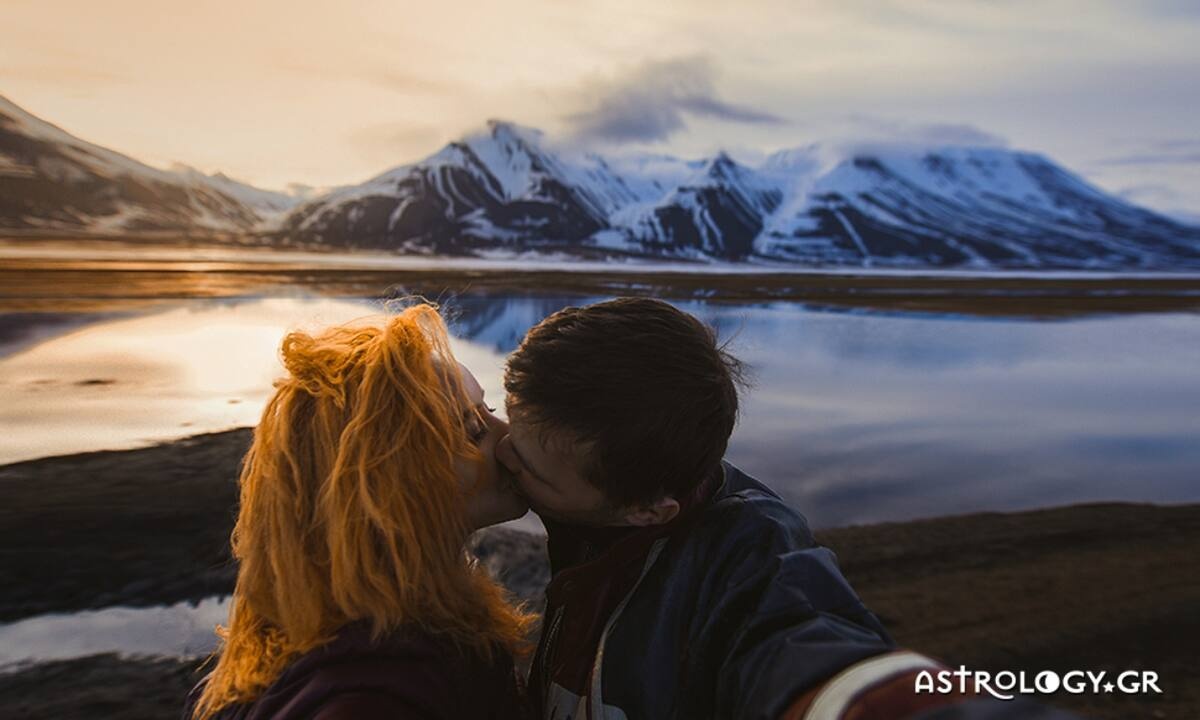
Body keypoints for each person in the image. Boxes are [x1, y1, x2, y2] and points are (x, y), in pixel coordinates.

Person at [497, 297, 1081, 720]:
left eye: (529, 465)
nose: (499, 451)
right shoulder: (593, 509)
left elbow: (804, 649)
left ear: (648, 512)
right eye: (505, 419)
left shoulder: (751, 558)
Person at [185, 303, 532, 720]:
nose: (508, 438)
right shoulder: (377, 695)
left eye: (489, 413)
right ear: (389, 479)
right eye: (472, 430)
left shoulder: (322, 637)